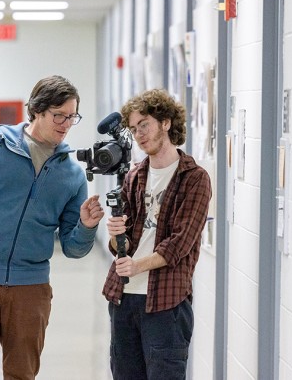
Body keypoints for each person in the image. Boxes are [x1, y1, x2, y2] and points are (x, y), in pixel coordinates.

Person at [0, 75, 105, 379]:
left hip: (31, 288)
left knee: (22, 375)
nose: (66, 123)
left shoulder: (71, 174)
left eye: (72, 117)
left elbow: (73, 249)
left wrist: (85, 226)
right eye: (59, 115)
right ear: (38, 110)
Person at [102, 88, 212, 379]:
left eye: (145, 125)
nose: (139, 134)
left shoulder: (194, 178)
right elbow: (119, 246)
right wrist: (115, 234)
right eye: (134, 129)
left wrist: (138, 265)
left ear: (165, 123)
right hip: (124, 298)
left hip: (166, 303)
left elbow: (180, 243)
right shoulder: (134, 176)